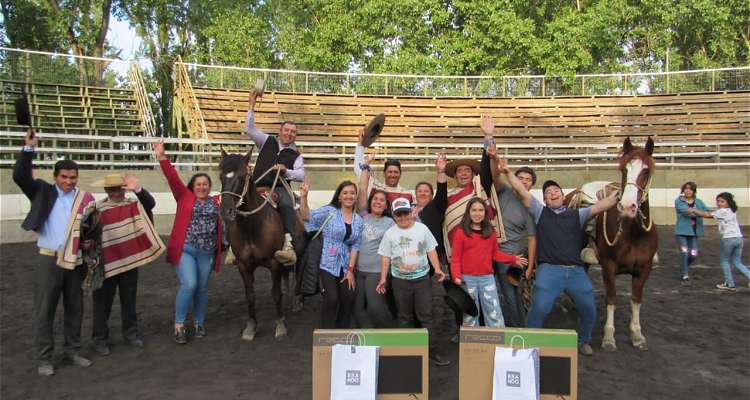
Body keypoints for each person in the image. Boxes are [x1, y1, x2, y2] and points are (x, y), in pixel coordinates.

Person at [499, 156, 618, 356]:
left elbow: (599, 207)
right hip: (549, 271)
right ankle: (528, 342)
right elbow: (520, 190)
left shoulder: (577, 215)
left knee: (589, 308)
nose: (553, 193)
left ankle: (583, 340)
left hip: (576, 273)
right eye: (548, 192)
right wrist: (507, 171)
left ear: (563, 197)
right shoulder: (539, 212)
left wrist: (618, 197)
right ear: (544, 199)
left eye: (556, 191)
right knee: (539, 310)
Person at [13, 128, 95, 376]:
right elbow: (20, 176)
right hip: (49, 259)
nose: (69, 181)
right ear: (55, 176)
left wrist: (89, 243)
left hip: (75, 260)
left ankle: (72, 351)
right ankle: (44, 357)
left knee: (75, 308)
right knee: (45, 310)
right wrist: (29, 149)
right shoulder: (42, 191)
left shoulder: (85, 198)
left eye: (73, 177)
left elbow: (92, 227)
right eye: (64, 177)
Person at [155, 139, 224, 344]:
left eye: (205, 184)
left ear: (210, 187)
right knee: (190, 284)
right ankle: (178, 324)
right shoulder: (183, 196)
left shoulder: (217, 201)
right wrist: (162, 157)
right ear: (192, 187)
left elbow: (238, 195)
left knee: (202, 288)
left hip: (207, 252)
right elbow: (172, 177)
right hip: (186, 249)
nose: (202, 187)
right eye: (198, 184)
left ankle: (198, 322)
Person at [90, 173, 165, 356]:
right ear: (107, 190)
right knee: (102, 304)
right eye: (113, 189)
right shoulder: (96, 209)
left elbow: (150, 203)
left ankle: (131, 333)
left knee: (129, 300)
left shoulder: (132, 203)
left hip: (130, 260)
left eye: (119, 189)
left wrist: (137, 189)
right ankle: (100, 339)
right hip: (105, 263)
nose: (117, 193)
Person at [377, 197, 449, 366]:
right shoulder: (390, 233)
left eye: (405, 213)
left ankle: (431, 350)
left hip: (422, 279)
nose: (403, 218)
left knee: (426, 316)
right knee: (404, 316)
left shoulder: (422, 229)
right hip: (400, 281)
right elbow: (386, 256)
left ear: (411, 212)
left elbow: (431, 249)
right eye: (399, 215)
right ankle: (405, 350)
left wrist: (437, 268)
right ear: (394, 215)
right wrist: (382, 278)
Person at [482, 117, 538, 327]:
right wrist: (490, 141)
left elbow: (532, 239)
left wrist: (530, 266)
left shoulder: (530, 207)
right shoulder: (503, 191)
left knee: (514, 296)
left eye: (527, 180)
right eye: (520, 177)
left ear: (531, 185)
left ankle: (519, 329)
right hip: (488, 251)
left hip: (510, 258)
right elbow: (494, 174)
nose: (523, 181)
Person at [244, 88, 305, 266]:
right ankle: (232, 243)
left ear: (295, 135)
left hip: (279, 186)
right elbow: (249, 128)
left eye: (293, 132)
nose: (289, 133)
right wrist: (251, 104)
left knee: (286, 203)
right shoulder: (265, 141)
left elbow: (301, 175)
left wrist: (286, 171)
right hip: (257, 184)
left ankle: (288, 241)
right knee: (238, 201)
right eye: (286, 130)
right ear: (280, 131)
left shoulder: (296, 154)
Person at [450, 197, 528, 328]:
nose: (477, 213)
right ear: (468, 212)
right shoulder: (461, 233)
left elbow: (495, 253)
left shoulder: (490, 232)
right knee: (470, 314)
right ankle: (471, 344)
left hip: (487, 278)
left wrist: (512, 259)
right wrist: (456, 276)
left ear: (485, 213)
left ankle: (497, 342)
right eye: (474, 210)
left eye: (481, 210)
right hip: (467, 279)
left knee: (493, 311)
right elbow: (456, 258)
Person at [299, 178, 363, 329]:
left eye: (352, 193)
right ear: (339, 196)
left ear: (356, 196)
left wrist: (351, 270)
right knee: (332, 298)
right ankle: (327, 333)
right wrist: (303, 197)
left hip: (345, 264)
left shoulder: (358, 221)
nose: (349, 196)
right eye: (345, 193)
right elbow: (307, 216)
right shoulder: (330, 212)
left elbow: (355, 245)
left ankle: (342, 331)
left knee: (348, 299)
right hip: (326, 262)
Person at [352, 156, 396, 328]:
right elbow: (362, 189)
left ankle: (392, 335)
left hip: (377, 272)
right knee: (357, 309)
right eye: (375, 199)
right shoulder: (362, 214)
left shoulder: (390, 223)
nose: (378, 202)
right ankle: (369, 338)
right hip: (358, 271)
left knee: (376, 307)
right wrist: (366, 167)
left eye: (382, 200)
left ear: (386, 205)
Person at [708, 192, 749, 290]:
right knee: (737, 262)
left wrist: (693, 211)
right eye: (718, 201)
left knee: (724, 260)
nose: (719, 203)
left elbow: (707, 214)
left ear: (728, 203)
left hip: (728, 239)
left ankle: (729, 283)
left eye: (722, 201)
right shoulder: (732, 211)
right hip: (739, 238)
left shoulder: (722, 211)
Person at [354, 135, 413, 204]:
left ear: (400, 174)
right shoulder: (375, 188)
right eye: (390, 172)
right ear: (384, 173)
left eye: (396, 172)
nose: (393, 175)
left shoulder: (408, 194)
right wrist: (360, 144)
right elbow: (360, 172)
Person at [674, 181, 711, 286]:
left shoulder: (699, 201)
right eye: (686, 188)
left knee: (693, 254)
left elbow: (707, 211)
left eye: (690, 189)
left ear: (694, 191)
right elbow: (687, 212)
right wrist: (700, 213)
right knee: (684, 251)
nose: (687, 191)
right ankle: (685, 275)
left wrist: (698, 212)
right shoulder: (679, 201)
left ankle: (684, 265)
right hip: (681, 231)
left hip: (694, 232)